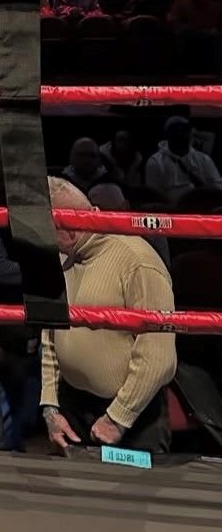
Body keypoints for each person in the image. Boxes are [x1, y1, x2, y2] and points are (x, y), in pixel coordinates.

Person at [41, 178, 177, 455]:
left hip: (133, 417)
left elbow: (158, 355)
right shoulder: (59, 257)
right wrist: (50, 407)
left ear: (65, 224)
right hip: (73, 410)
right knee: (75, 495)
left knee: (132, 496)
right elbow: (49, 334)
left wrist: (119, 417)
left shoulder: (137, 261)